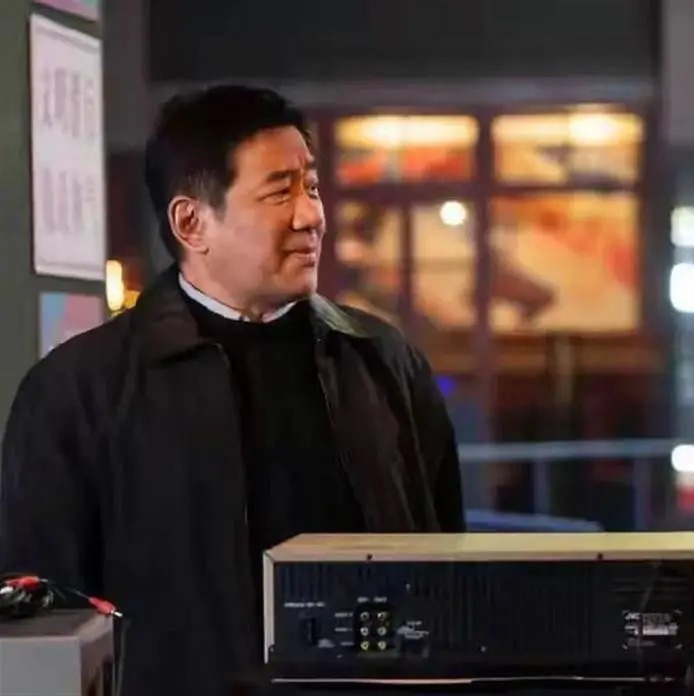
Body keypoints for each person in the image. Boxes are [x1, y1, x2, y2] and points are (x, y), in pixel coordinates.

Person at [0, 85, 465, 696]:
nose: (311, 215)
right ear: (191, 222)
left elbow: (445, 567)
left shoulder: (382, 362)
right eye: (279, 192)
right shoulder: (79, 392)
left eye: (312, 186)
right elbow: (44, 618)